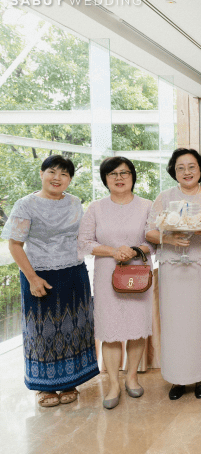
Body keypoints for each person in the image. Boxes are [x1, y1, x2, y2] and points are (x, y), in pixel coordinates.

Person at [2, 155, 99, 408]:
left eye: (64, 174)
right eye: (52, 172)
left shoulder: (75, 202)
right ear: (42, 173)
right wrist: (32, 278)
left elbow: (84, 237)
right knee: (41, 330)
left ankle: (70, 382)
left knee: (75, 326)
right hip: (40, 274)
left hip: (74, 272)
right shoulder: (25, 205)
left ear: (69, 180)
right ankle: (44, 387)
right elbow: (14, 244)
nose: (58, 178)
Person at [77, 157, 154, 409]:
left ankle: (131, 377)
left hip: (138, 273)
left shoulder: (147, 206)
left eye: (124, 173)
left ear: (133, 176)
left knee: (136, 326)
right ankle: (113, 383)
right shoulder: (96, 208)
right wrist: (113, 251)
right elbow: (85, 242)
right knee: (110, 330)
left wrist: (133, 250)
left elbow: (154, 241)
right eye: (112, 174)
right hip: (106, 273)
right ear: (105, 179)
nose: (119, 177)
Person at [145, 148, 201, 400]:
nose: (187, 172)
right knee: (175, 323)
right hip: (173, 267)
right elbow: (149, 232)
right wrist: (170, 238)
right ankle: (177, 378)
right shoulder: (164, 197)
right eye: (180, 167)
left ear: (200, 169)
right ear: (173, 172)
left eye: (191, 166)